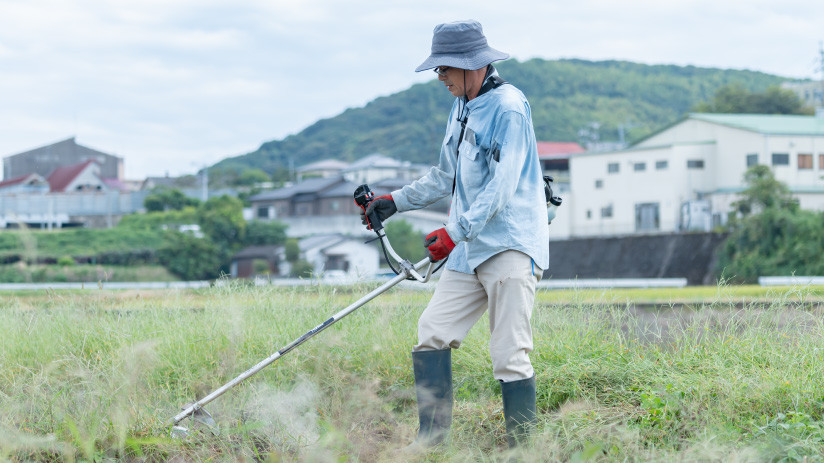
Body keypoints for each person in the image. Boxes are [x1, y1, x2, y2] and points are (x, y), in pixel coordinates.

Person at [360, 19, 548, 450]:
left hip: (509, 245)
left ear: (471, 65)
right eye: (438, 69)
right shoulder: (462, 106)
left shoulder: (509, 108)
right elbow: (445, 175)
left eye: (444, 68)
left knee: (509, 354)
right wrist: (395, 201)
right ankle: (432, 443)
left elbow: (502, 185)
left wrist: (453, 231)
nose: (440, 76)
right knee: (433, 331)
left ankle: (523, 453)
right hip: (468, 248)